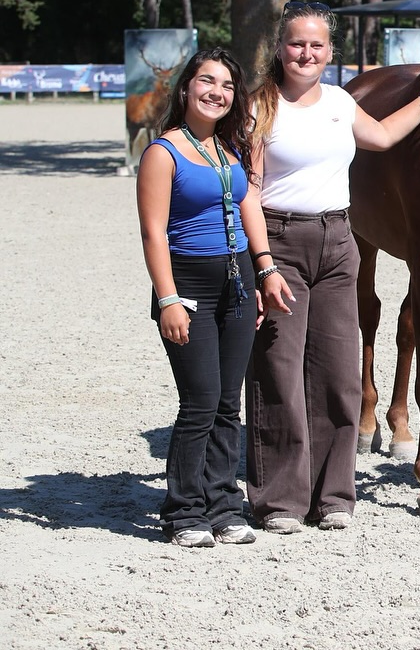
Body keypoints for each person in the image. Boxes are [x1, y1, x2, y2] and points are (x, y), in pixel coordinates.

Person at [246, 2, 420, 534]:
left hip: (339, 241)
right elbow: (248, 193)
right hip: (280, 240)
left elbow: (386, 135)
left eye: (316, 45)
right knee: (280, 370)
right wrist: (263, 265)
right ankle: (280, 501)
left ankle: (334, 497)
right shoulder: (260, 107)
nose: (306, 53)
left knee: (338, 371)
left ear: (330, 52)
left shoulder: (342, 102)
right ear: (280, 48)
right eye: (297, 44)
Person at [137, 48, 288, 547]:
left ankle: (224, 505)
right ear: (186, 88)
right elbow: (154, 235)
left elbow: (250, 210)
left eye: (226, 85)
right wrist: (168, 300)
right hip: (189, 284)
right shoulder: (164, 152)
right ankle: (184, 512)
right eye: (207, 81)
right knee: (199, 401)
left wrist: (265, 269)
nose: (216, 92)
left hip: (239, 282)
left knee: (228, 403)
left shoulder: (231, 151)